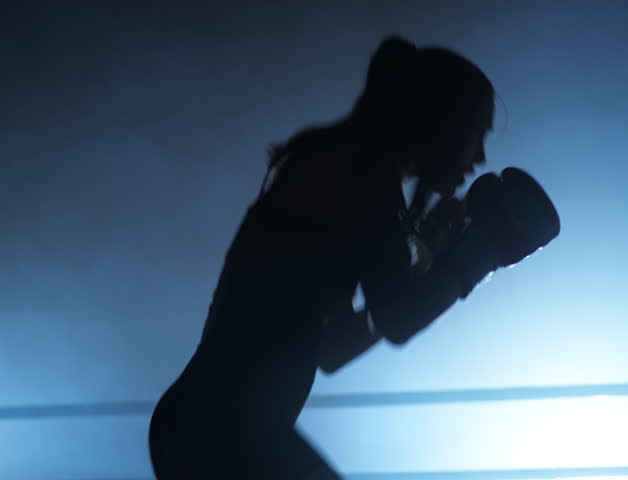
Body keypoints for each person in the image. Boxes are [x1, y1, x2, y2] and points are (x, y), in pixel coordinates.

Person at [147, 35, 559, 479]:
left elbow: (333, 349)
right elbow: (399, 319)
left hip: (215, 428)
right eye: (476, 135)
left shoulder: (357, 174)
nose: (479, 157)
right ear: (443, 121)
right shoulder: (358, 172)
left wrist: (436, 266)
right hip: (223, 426)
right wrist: (477, 255)